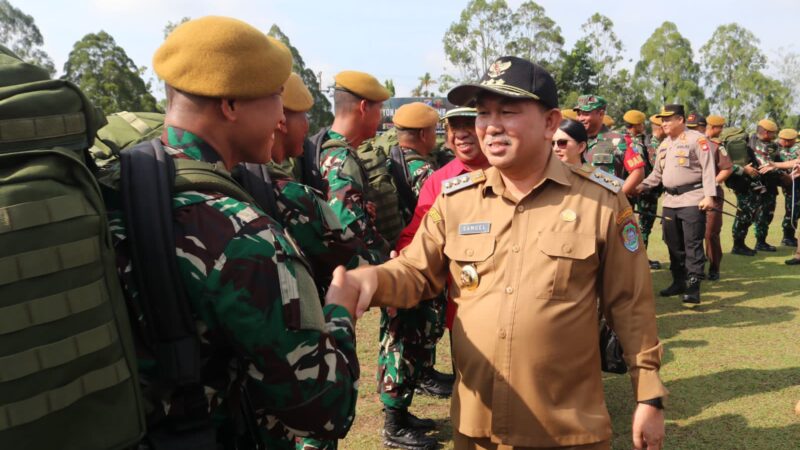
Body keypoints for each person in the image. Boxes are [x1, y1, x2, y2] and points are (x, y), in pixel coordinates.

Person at [332, 56, 668, 450]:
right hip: (478, 428)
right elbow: (416, 271)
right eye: (483, 113)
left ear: (549, 122)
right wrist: (371, 278)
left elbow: (630, 305)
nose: (491, 126)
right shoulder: (456, 200)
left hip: (567, 431)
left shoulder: (601, 202)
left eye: (508, 111)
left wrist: (649, 395)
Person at [110, 17, 360, 449]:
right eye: (275, 98)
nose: (281, 117)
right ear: (229, 105)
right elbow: (322, 407)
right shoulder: (242, 236)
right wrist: (340, 310)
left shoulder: (118, 183)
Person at [376, 102, 447, 450]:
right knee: (401, 339)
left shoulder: (391, 157)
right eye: (433, 131)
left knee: (406, 336)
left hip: (400, 262)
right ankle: (392, 424)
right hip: (412, 263)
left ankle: (402, 415)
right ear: (422, 134)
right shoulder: (420, 169)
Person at [637, 104, 718, 304]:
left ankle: (693, 286)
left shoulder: (697, 140)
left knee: (692, 244)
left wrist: (709, 196)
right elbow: (656, 174)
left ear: (680, 120)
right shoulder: (665, 144)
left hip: (692, 198)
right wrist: (639, 186)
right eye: (662, 120)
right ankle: (678, 281)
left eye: (668, 119)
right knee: (673, 243)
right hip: (670, 201)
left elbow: (708, 169)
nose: (663, 123)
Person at [318, 70, 392, 262]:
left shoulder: (323, 145)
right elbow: (349, 236)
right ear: (364, 107)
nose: (381, 118)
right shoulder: (343, 160)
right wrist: (389, 261)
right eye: (380, 110)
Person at [574, 95, 645, 196]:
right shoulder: (573, 140)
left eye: (585, 114)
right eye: (578, 113)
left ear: (601, 114)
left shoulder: (619, 140)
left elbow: (638, 172)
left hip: (605, 204)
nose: (580, 118)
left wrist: (618, 196)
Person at [702, 114, 733, 281]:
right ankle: (693, 267)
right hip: (691, 193)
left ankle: (714, 267)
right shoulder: (693, 143)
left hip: (712, 194)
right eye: (720, 128)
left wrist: (711, 183)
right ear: (715, 128)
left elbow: (727, 168)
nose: (720, 131)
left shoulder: (717, 146)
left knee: (710, 232)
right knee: (690, 232)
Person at [749, 119, 781, 251]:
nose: (775, 136)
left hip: (756, 185)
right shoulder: (763, 146)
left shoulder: (750, 141)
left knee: (760, 214)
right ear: (766, 133)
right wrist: (782, 174)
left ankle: (759, 241)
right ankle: (760, 242)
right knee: (764, 214)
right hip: (764, 186)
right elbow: (766, 166)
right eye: (773, 133)